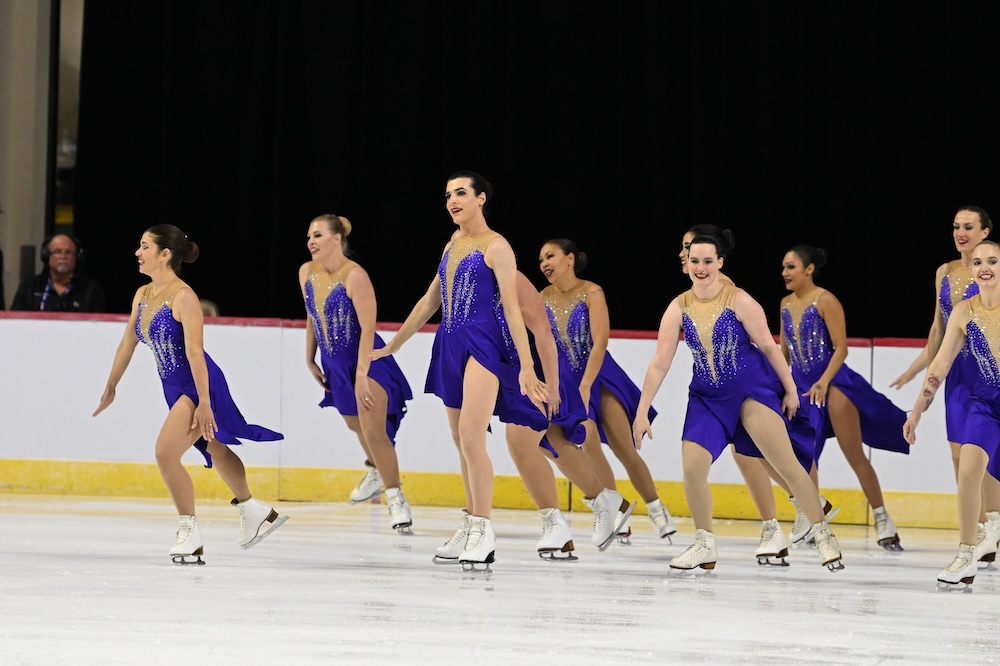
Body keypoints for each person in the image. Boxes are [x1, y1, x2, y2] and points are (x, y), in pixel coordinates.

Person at [633, 232, 844, 573]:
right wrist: (642, 410)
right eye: (694, 261)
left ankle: (822, 533)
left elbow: (770, 347)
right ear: (686, 262)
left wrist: (789, 390)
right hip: (706, 398)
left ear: (720, 263)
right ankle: (704, 543)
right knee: (692, 468)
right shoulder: (678, 306)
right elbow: (660, 361)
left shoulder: (739, 300)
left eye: (707, 261)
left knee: (786, 464)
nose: (700, 268)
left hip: (750, 391)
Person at [371, 171, 548, 571]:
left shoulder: (497, 246)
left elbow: (514, 309)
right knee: (460, 438)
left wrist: (524, 363)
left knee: (471, 435)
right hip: (449, 343)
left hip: (484, 344)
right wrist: (395, 344)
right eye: (449, 194)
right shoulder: (453, 243)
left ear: (482, 198)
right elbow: (431, 299)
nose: (453, 200)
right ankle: (471, 522)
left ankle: (483, 529)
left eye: (462, 193)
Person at [93, 224, 287, 564]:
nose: (137, 253)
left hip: (198, 386)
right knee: (215, 446)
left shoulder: (184, 297)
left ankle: (190, 531)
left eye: (144, 247)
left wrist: (205, 403)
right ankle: (254, 510)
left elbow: (196, 353)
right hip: (174, 386)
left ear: (165, 254)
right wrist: (112, 384)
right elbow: (129, 341)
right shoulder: (143, 294)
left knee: (166, 453)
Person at [679, 225, 831, 563]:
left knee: (759, 452)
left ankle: (784, 517)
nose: (684, 255)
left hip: (748, 378)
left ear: (716, 258)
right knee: (749, 453)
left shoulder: (725, 289)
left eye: (689, 247)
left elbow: (761, 342)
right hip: (723, 385)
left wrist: (785, 387)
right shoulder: (691, 295)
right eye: (686, 250)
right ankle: (781, 519)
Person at [538, 238, 676, 542]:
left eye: (550, 256)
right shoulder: (542, 297)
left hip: (600, 377)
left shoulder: (591, 291)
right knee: (587, 445)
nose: (544, 264)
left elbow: (600, 342)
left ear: (570, 258)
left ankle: (656, 509)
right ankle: (616, 510)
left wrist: (586, 385)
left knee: (624, 448)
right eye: (540, 260)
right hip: (567, 382)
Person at [780, 244, 909, 550]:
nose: (784, 273)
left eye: (791, 267)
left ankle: (882, 518)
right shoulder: (785, 304)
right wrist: (782, 385)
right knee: (803, 456)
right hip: (801, 387)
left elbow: (841, 348)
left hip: (833, 383)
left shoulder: (826, 300)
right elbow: (785, 354)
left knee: (854, 454)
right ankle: (814, 520)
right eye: (783, 267)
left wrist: (824, 382)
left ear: (809, 269)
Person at [892, 206, 1000, 565]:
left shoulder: (993, 272)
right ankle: (981, 529)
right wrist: (915, 371)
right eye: (956, 227)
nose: (960, 232)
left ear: (986, 232)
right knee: (961, 455)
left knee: (983, 456)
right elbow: (939, 330)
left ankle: (989, 528)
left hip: (987, 370)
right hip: (957, 374)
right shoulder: (944, 272)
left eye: (969, 226)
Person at [300, 214, 414, 532]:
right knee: (355, 425)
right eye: (309, 236)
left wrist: (362, 373)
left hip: (368, 360)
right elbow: (312, 313)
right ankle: (376, 470)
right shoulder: (306, 272)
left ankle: (395, 499)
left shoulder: (355, 275)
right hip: (334, 365)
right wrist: (309, 358)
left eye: (318, 235)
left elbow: (368, 327)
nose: (311, 241)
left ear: (336, 239)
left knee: (374, 431)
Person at [11, 234, 106, 312]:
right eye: (57, 252)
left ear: (77, 258)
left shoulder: (91, 290)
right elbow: (14, 322)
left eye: (68, 252)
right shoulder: (29, 287)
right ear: (47, 256)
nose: (63, 257)